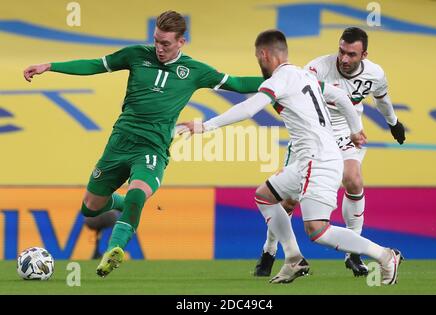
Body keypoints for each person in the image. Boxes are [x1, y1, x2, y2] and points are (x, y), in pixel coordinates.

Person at [23, 10, 264, 277]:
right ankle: (122, 203)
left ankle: (114, 250)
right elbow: (94, 65)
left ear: (181, 42)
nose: (159, 48)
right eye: (156, 41)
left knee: (138, 192)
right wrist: (51, 66)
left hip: (152, 147)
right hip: (119, 142)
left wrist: (284, 80)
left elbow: (239, 83)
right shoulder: (136, 55)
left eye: (166, 44)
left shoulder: (195, 71)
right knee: (90, 209)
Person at [179, 29, 402, 285]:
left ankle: (384, 256)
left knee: (317, 231)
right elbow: (340, 96)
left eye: (257, 57)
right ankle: (294, 258)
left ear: (264, 54)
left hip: (318, 160)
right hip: (312, 157)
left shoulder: (279, 79)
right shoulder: (303, 74)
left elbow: (250, 108)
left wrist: (204, 126)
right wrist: (354, 130)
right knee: (265, 196)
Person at [254, 27, 406, 278]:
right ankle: (270, 250)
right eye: (341, 52)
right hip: (315, 136)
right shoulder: (317, 68)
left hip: (347, 134)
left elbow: (382, 99)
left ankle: (353, 250)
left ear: (364, 55)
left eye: (351, 54)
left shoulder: (375, 74)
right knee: (287, 201)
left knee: (354, 180)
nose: (344, 59)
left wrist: (393, 122)